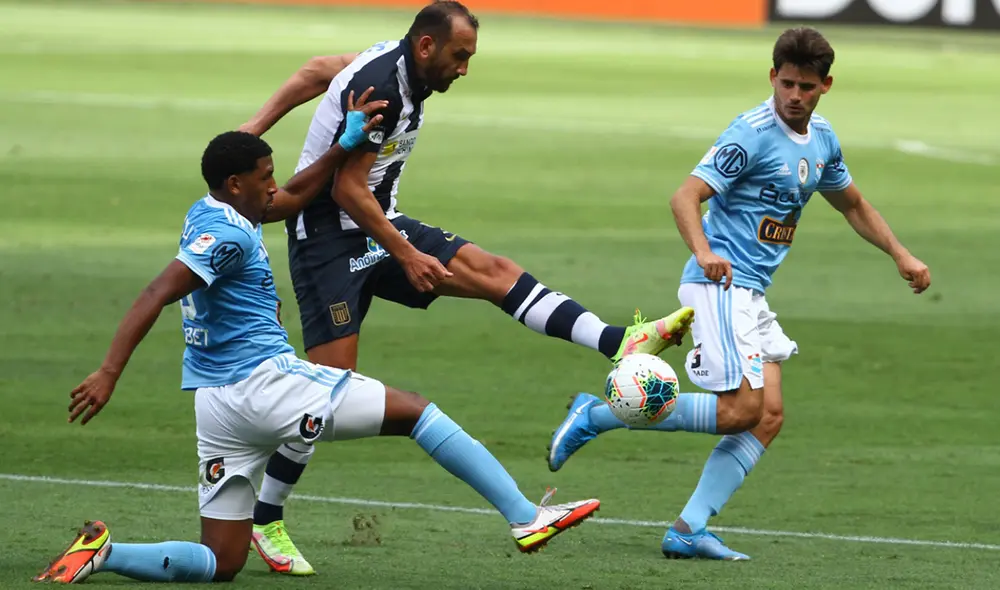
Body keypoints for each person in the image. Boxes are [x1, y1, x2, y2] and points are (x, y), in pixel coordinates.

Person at [33, 90, 600, 585]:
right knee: (417, 412)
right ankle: (526, 516)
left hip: (215, 406)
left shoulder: (209, 209)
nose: (273, 186)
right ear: (236, 184)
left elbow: (293, 197)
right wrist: (109, 371)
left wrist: (340, 145)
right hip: (263, 383)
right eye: (264, 179)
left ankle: (104, 555)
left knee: (220, 560)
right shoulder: (228, 235)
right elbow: (156, 292)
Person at [238, 0, 694, 574]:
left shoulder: (395, 64)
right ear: (426, 46)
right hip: (327, 242)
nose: (465, 68)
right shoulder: (384, 91)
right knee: (325, 399)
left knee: (493, 271)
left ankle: (618, 341)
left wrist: (249, 131)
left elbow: (316, 70)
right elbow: (349, 190)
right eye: (460, 56)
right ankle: (265, 516)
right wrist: (406, 254)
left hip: (379, 223)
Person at [545, 26, 932, 561]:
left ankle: (688, 528)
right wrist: (704, 251)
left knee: (768, 416)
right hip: (718, 284)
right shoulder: (748, 132)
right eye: (788, 83)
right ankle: (597, 414)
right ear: (773, 77)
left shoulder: (822, 139)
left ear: (826, 86)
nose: (795, 96)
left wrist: (901, 254)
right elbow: (686, 196)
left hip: (750, 294)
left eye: (807, 87)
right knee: (738, 412)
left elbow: (854, 204)